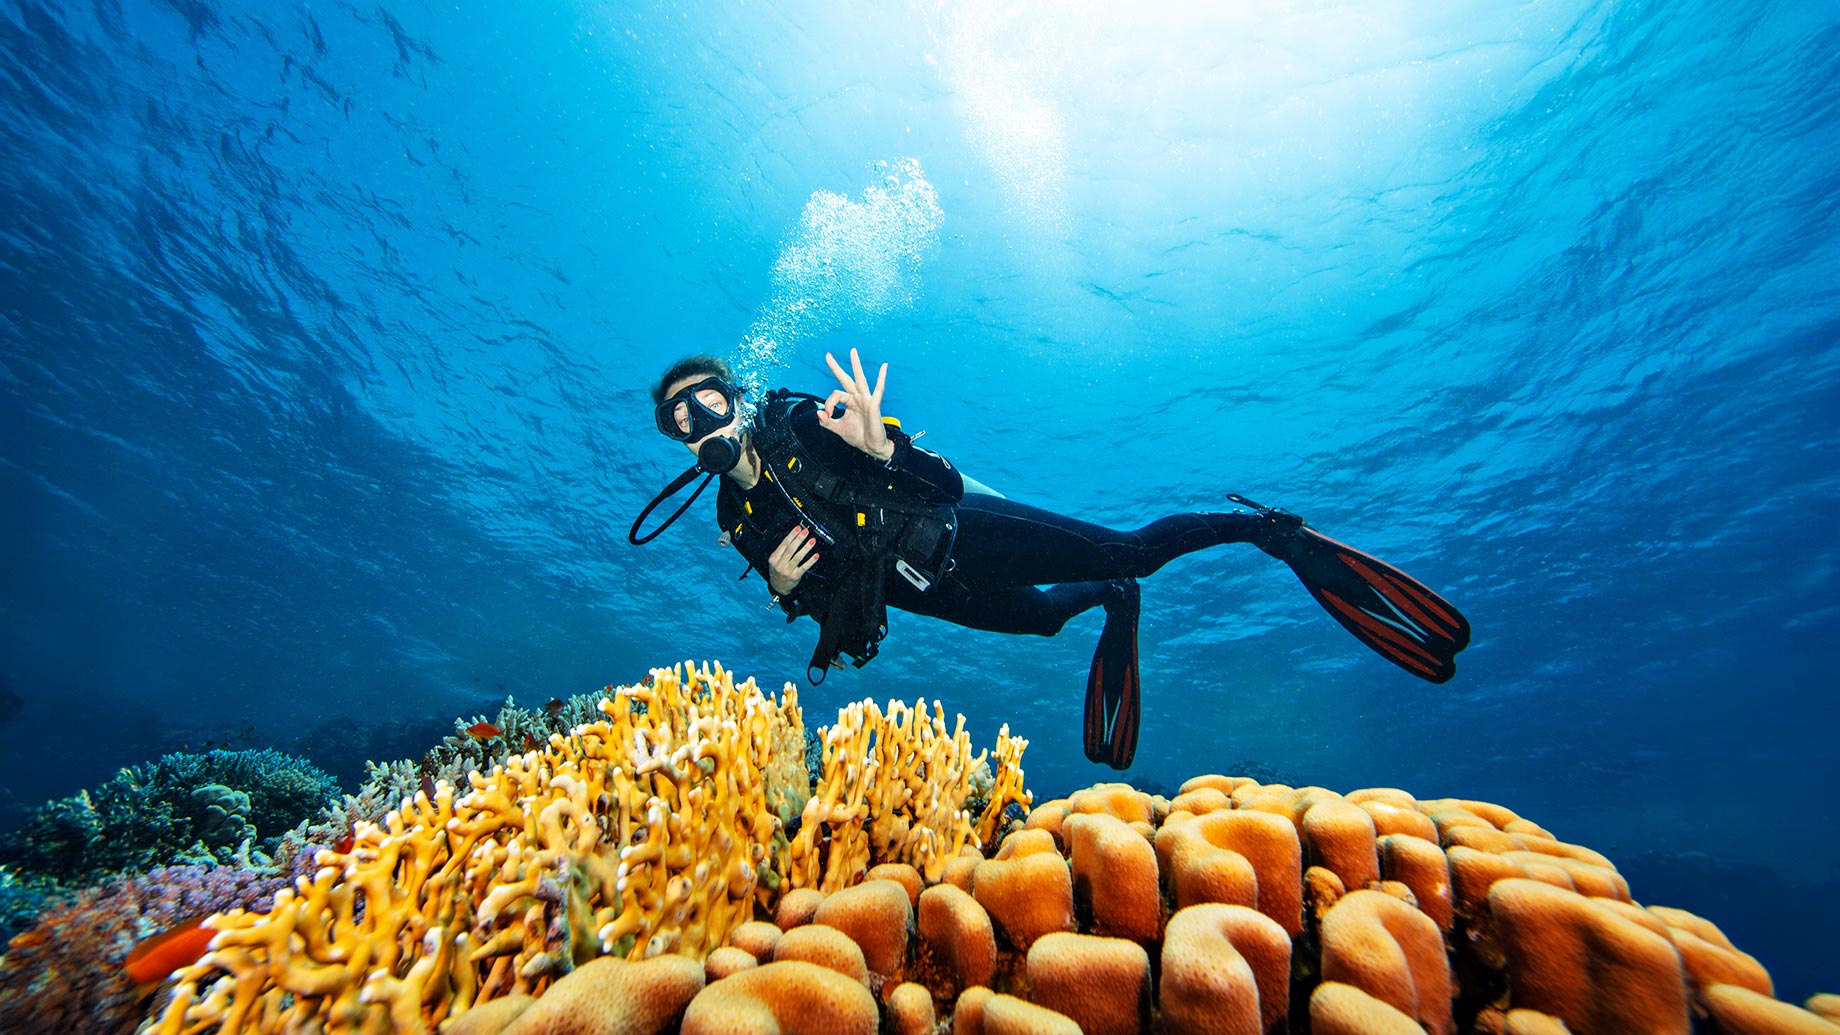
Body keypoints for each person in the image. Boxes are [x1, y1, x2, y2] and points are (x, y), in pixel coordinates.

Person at [633, 349, 1470, 769]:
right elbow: (824, 608)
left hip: (965, 533)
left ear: (735, 397)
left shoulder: (806, 422)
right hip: (928, 592)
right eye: (679, 419)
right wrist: (784, 590)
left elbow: (944, 482)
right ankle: (1110, 599)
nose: (697, 421)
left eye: (706, 400)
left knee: (1133, 549)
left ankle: (1269, 532)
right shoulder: (731, 515)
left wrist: (881, 449)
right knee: (1041, 624)